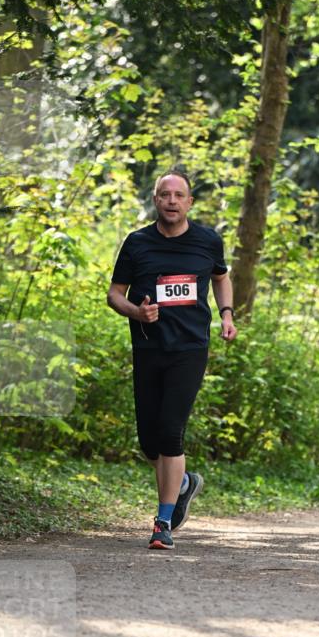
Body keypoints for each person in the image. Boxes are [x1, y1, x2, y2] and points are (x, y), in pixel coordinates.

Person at [107, 169, 237, 549]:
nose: (172, 201)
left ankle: (162, 522)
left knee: (170, 431)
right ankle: (182, 484)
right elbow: (115, 294)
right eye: (165, 194)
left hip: (190, 348)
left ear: (189, 202)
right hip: (148, 347)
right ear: (155, 200)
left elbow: (221, 276)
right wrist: (136, 312)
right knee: (149, 441)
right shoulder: (137, 244)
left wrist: (227, 313)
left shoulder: (207, 241)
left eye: (179, 195)